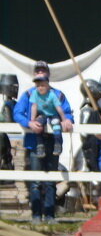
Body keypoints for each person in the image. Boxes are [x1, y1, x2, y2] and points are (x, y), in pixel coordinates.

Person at [12, 63, 74, 222]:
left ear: (48, 74)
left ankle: (50, 215)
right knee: (35, 181)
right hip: (34, 142)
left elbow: (67, 113)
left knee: (51, 179)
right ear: (34, 74)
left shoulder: (57, 95)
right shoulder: (28, 94)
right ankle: (36, 215)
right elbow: (17, 113)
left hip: (53, 142)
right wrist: (29, 123)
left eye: (43, 70)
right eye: (38, 71)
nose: (40, 73)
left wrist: (68, 121)